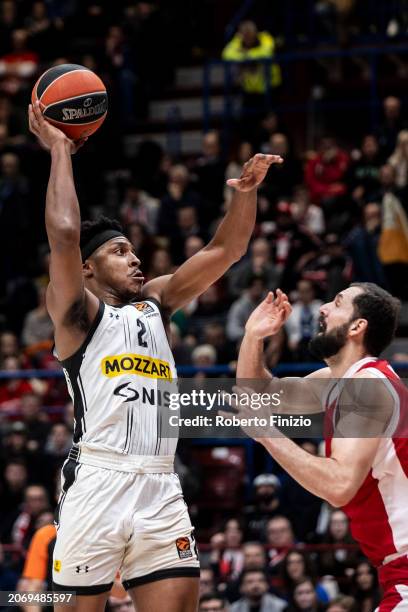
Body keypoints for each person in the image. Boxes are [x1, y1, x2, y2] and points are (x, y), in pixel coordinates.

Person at [28, 100, 282, 612]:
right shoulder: (76, 312)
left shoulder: (156, 303)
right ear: (88, 269)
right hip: (99, 479)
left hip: (161, 481)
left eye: (133, 249)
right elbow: (62, 233)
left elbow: (224, 252)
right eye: (119, 251)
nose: (136, 257)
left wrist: (246, 196)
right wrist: (60, 148)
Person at [233, 282, 408, 610]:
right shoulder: (340, 381)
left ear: (357, 326)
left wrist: (266, 433)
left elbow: (339, 485)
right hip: (395, 569)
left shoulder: (365, 387)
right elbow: (260, 394)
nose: (323, 308)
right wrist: (253, 337)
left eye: (337, 303)